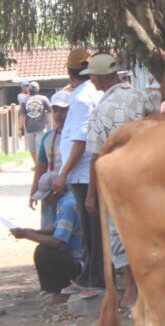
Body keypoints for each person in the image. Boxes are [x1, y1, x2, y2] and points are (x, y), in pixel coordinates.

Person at [83, 51, 165, 309]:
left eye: (93, 78)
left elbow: (95, 157)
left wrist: (91, 193)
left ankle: (131, 290)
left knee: (118, 233)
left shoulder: (100, 112)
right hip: (146, 177)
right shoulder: (138, 96)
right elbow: (163, 94)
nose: (92, 82)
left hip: (117, 182)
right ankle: (152, 288)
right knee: (146, 231)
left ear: (98, 79)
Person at [51, 48, 105, 299]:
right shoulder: (91, 92)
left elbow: (81, 141)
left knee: (92, 227)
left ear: (70, 72)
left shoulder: (82, 98)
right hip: (86, 171)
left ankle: (95, 278)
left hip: (83, 173)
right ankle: (90, 276)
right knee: (92, 227)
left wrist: (63, 174)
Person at [10, 171, 82, 305]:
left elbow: (57, 242)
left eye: (46, 197)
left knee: (43, 252)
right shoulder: (65, 200)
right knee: (44, 249)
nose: (44, 201)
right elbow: (56, 227)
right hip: (76, 258)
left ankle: (60, 292)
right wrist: (33, 231)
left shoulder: (68, 205)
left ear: (55, 193)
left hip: (79, 260)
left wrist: (27, 235)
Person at [29, 91, 71, 229]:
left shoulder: (77, 137)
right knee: (48, 227)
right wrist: (34, 192)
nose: (59, 114)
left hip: (70, 191)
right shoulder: (48, 136)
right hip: (49, 191)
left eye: (64, 110)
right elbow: (41, 165)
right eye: (55, 110)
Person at [20, 82, 52, 166]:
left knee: (32, 148)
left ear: (29, 90)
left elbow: (22, 115)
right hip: (41, 127)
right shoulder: (43, 99)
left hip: (29, 128)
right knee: (39, 147)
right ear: (38, 89)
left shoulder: (24, 100)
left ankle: (37, 165)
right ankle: (39, 166)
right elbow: (50, 110)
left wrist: (19, 129)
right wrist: (48, 122)